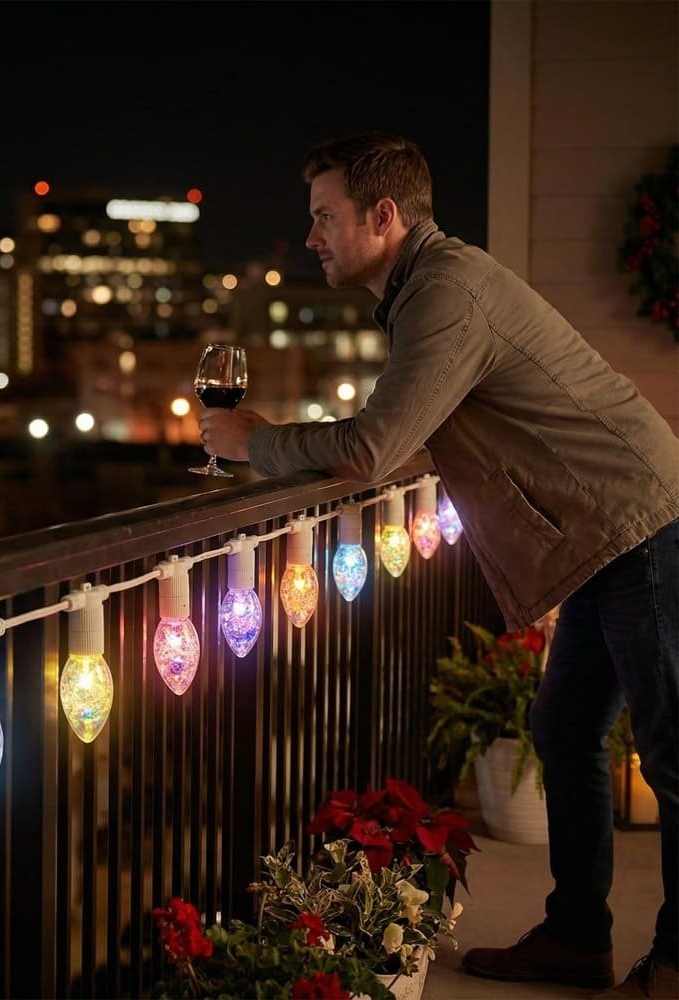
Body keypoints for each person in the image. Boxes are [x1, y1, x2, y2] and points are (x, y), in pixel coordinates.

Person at [199, 132, 679, 998]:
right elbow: (418, 428)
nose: (312, 237)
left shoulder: (446, 293)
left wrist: (255, 441)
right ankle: (577, 939)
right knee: (563, 732)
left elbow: (376, 445)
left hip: (642, 525)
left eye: (324, 217)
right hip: (607, 534)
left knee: (673, 754)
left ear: (384, 216)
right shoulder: (431, 290)